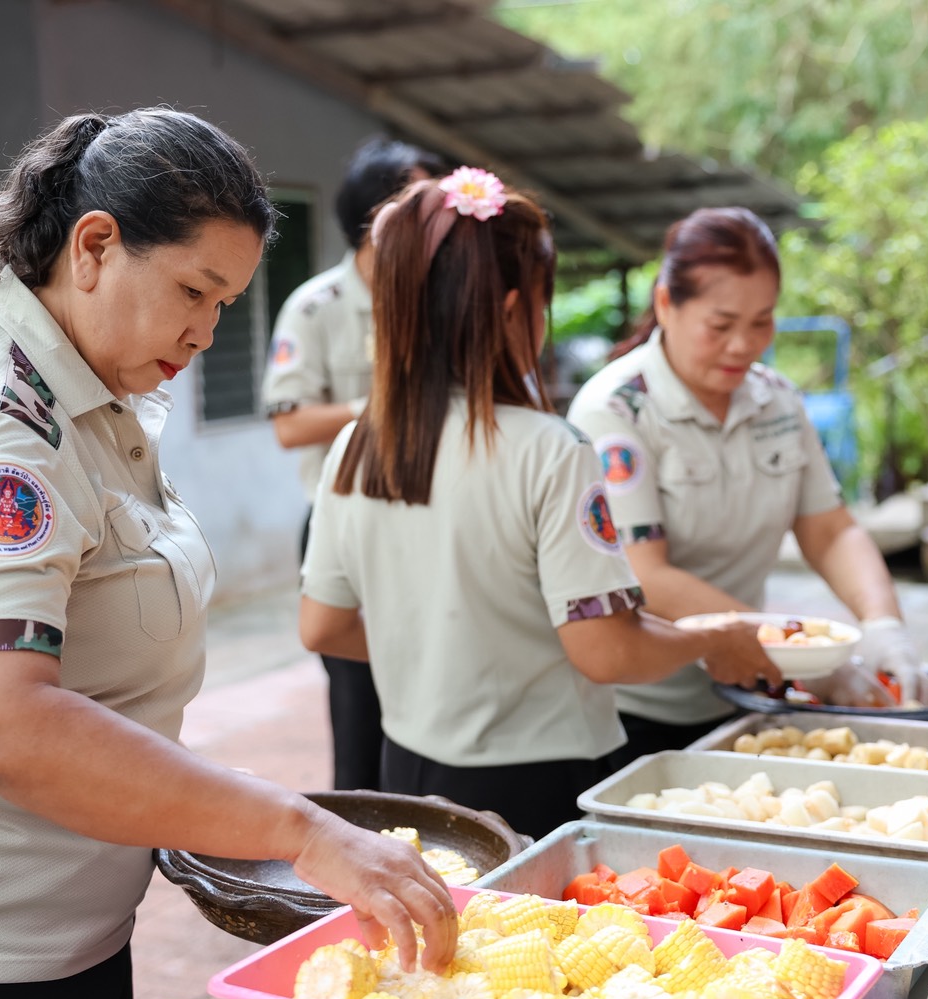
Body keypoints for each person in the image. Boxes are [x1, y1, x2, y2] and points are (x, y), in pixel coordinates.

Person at [0, 109, 456, 999]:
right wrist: (295, 830)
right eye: (193, 289)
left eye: (223, 304)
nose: (206, 332)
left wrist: (207, 793)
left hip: (62, 925)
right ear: (94, 244)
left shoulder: (94, 388)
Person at [298, 169, 779, 840]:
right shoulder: (550, 449)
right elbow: (606, 652)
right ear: (511, 310)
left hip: (405, 769)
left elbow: (322, 626)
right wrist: (717, 637)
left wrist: (446, 651)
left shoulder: (359, 442)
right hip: (537, 782)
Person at [567, 206, 926, 764]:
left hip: (746, 689)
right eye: (721, 325)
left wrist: (883, 624)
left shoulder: (778, 400)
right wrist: (807, 655)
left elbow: (829, 530)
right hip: (632, 709)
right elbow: (644, 571)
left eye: (762, 322)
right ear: (666, 303)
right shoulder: (614, 410)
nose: (743, 345)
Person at [261, 137, 445, 792]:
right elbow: (289, 422)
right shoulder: (315, 307)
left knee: (434, 697)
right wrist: (384, 405)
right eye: (421, 209)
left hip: (433, 524)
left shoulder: (436, 300)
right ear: (377, 219)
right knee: (359, 709)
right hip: (349, 528)